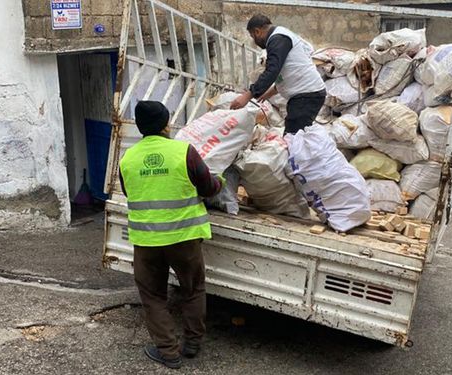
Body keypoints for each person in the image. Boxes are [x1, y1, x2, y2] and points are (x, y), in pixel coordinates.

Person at [118, 101, 224, 369]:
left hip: (147, 241)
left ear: (141, 127)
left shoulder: (128, 159)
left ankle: (168, 352)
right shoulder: (183, 151)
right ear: (166, 125)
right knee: (192, 289)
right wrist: (221, 180)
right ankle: (192, 344)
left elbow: (132, 193)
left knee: (153, 296)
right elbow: (209, 188)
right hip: (184, 238)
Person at [230, 14, 326, 134]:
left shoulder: (277, 39)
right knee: (297, 137)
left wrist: (248, 95)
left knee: (293, 138)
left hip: (306, 96)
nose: (253, 41)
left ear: (257, 31)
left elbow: (272, 71)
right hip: (306, 95)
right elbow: (288, 71)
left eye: (252, 36)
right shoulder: (280, 37)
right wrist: (271, 92)